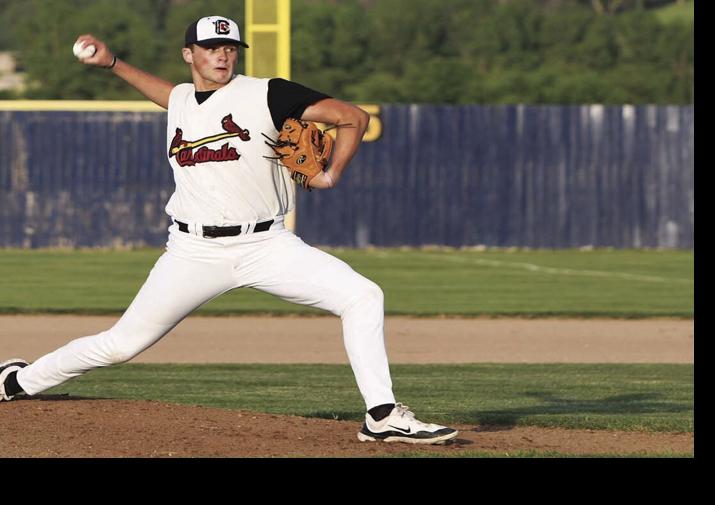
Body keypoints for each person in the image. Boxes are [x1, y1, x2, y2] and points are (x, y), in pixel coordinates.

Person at [0, 15, 458, 445]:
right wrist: (114, 63)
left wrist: (330, 174)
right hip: (191, 251)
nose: (222, 55)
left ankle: (380, 416)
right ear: (189, 54)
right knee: (121, 345)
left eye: (230, 47)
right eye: (211, 47)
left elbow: (352, 117)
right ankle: (17, 380)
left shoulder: (268, 94)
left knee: (363, 295)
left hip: (267, 245)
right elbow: (167, 94)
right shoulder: (180, 99)